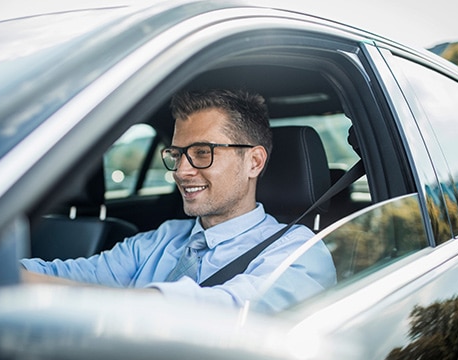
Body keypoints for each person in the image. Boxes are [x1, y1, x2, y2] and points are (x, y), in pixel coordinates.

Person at [21, 89, 336, 313]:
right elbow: (66, 274)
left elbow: (228, 314)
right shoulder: (162, 238)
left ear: (253, 162)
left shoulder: (299, 255)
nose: (181, 172)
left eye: (202, 153)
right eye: (177, 154)